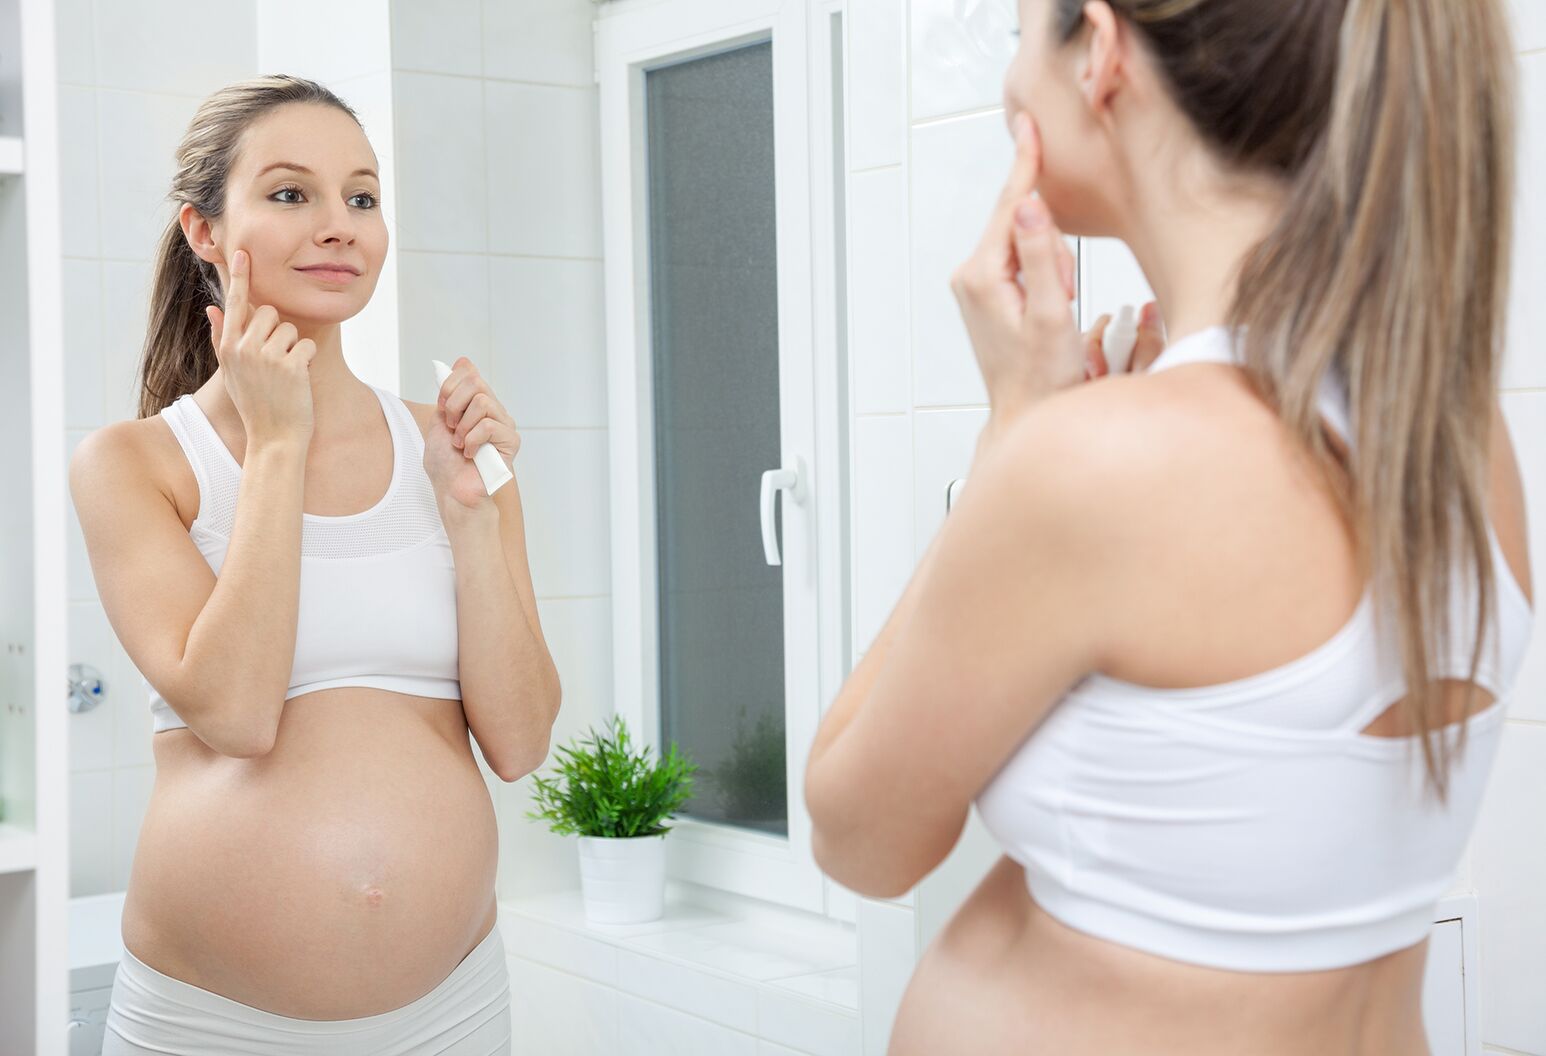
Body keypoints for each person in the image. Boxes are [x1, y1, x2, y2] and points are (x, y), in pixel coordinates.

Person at [805, 1, 1534, 1053]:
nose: (1010, 83)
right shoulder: (1454, 438)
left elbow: (855, 834)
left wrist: (1012, 431)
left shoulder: (1099, 464)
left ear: (1098, 51)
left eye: (1021, 34)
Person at [70, 75, 561, 1056]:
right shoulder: (134, 464)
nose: (340, 225)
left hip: (454, 1012)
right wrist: (278, 444)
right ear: (205, 232)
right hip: (209, 1026)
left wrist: (471, 515)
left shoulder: (455, 450)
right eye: (292, 194)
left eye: (363, 197)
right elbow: (238, 713)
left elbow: (519, 741)